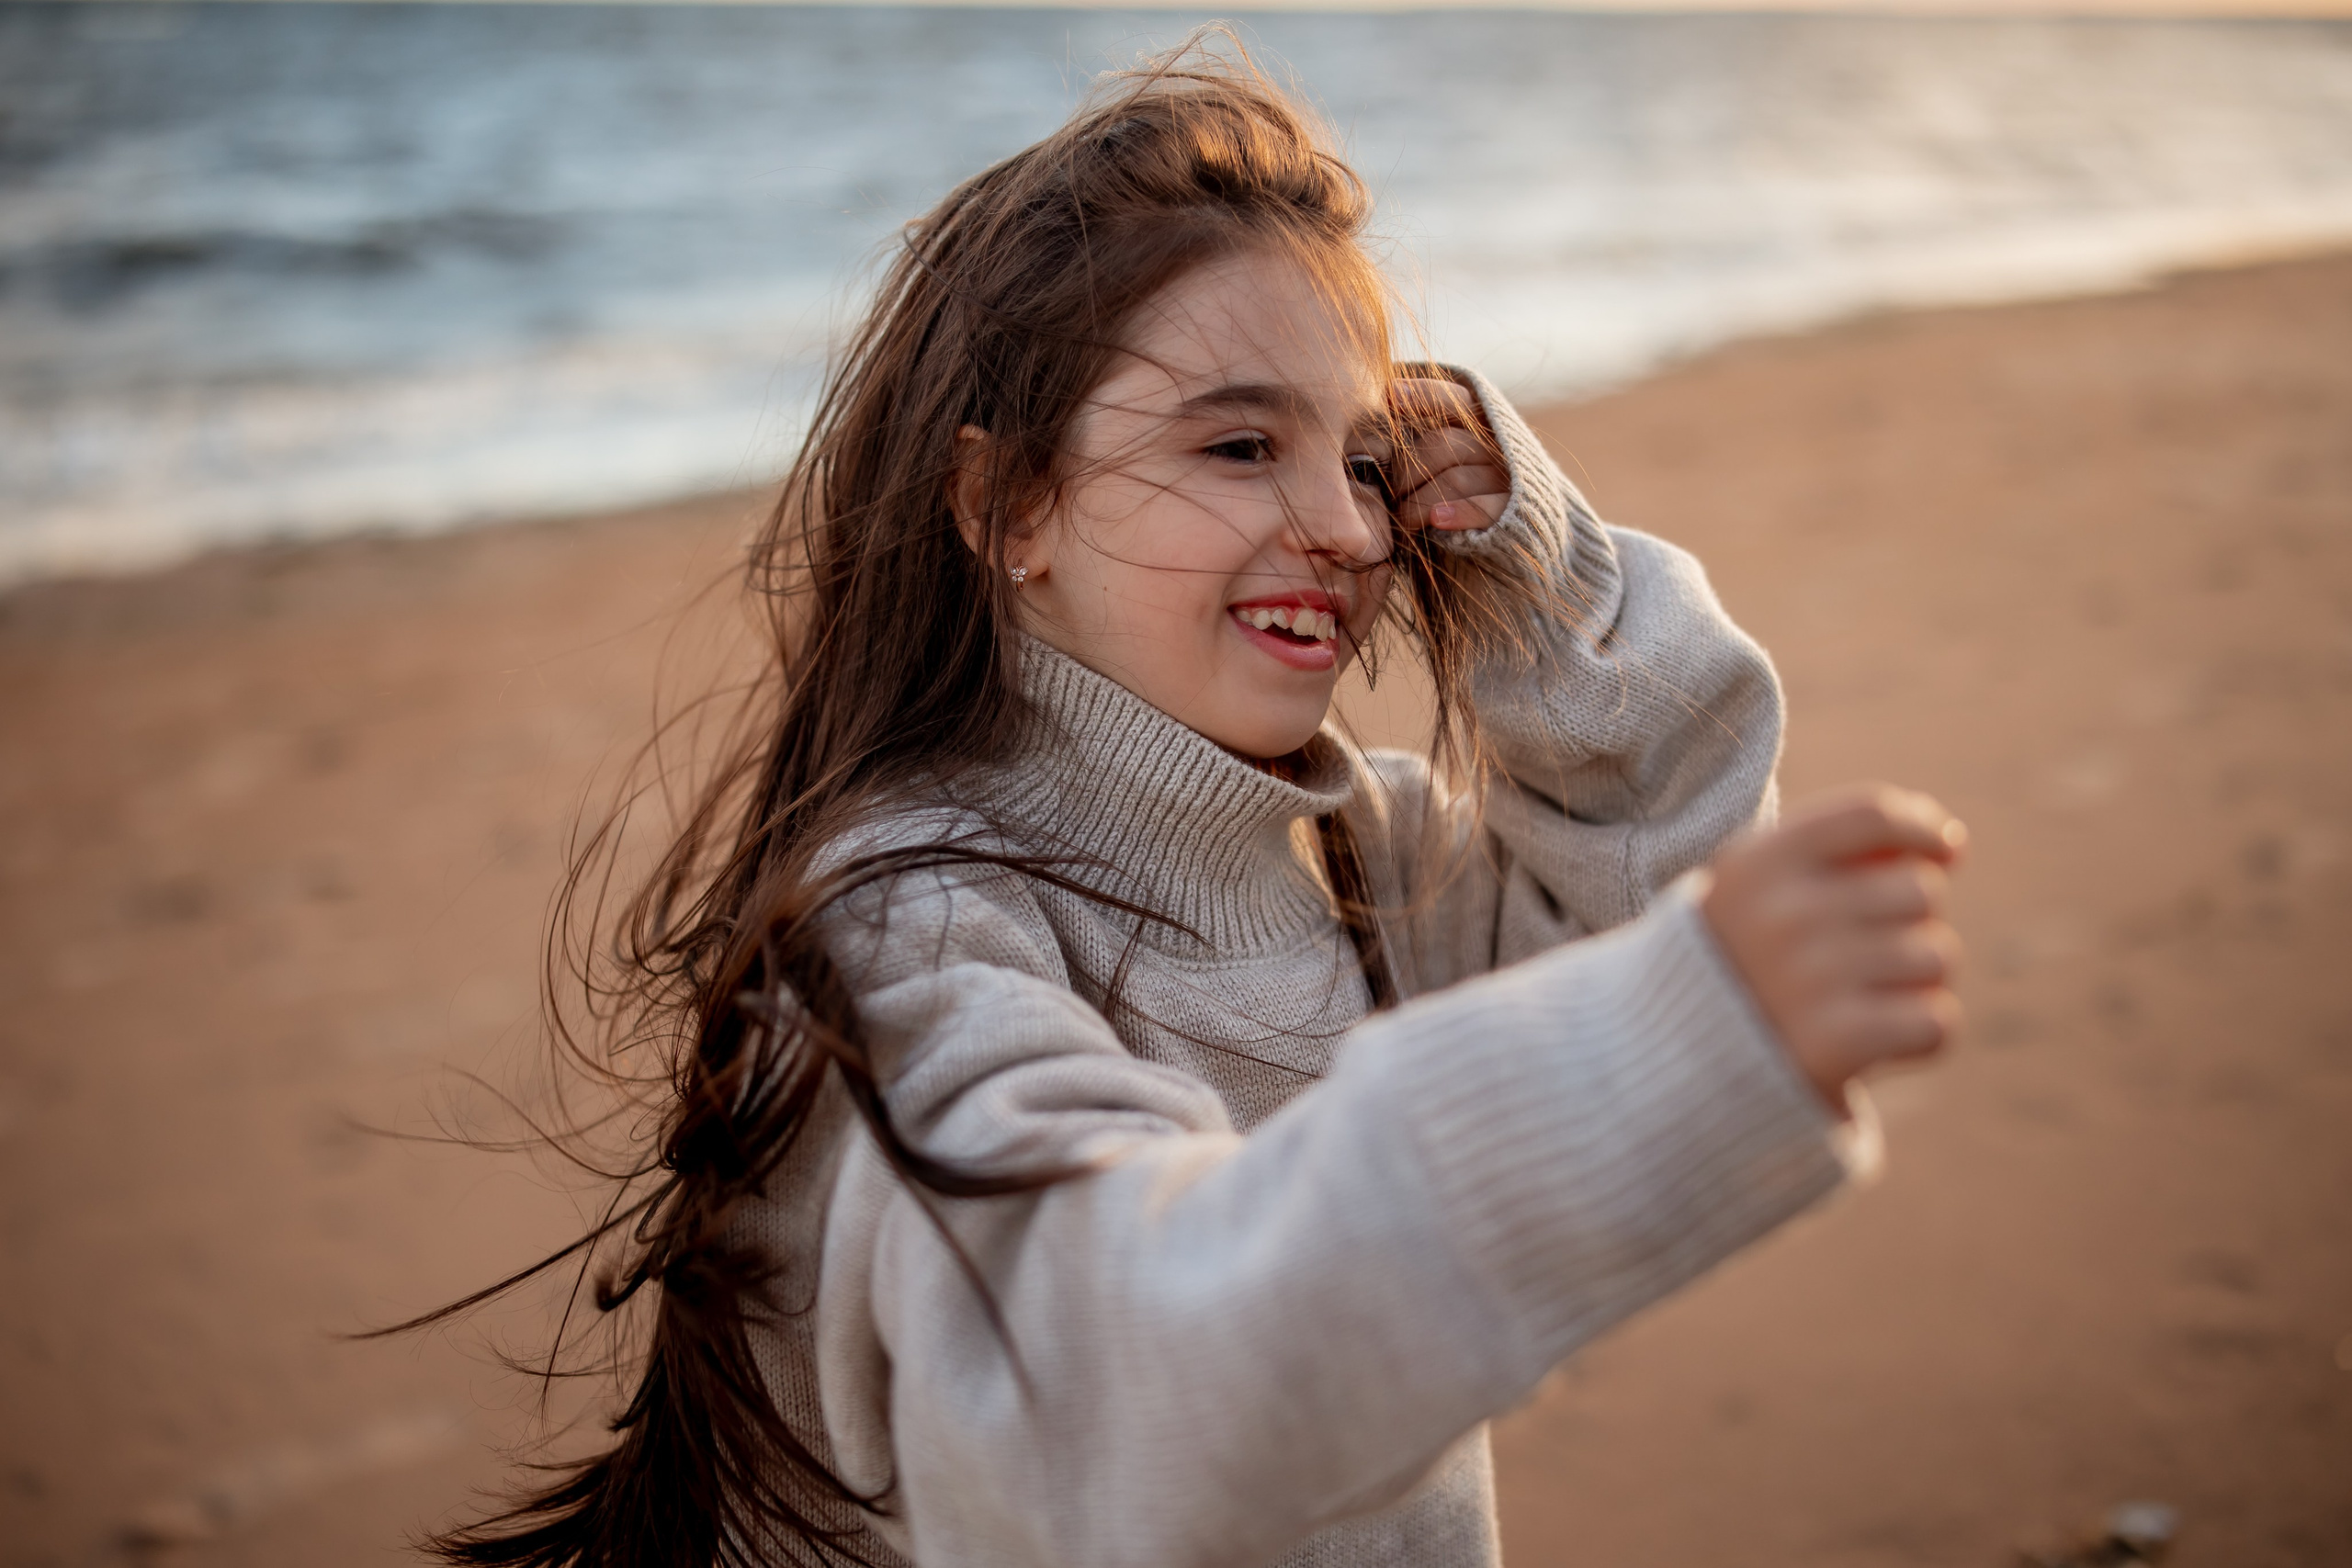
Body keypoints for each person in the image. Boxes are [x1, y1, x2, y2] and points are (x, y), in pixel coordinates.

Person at [421, 41, 1962, 1568]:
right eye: (1239, 446)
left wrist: (1532, 561)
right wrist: (1640, 1059)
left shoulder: (1363, 862)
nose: (1346, 529)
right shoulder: (904, 934)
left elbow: (1644, 895)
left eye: (1366, 459)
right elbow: (1108, 1379)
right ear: (1008, 505)